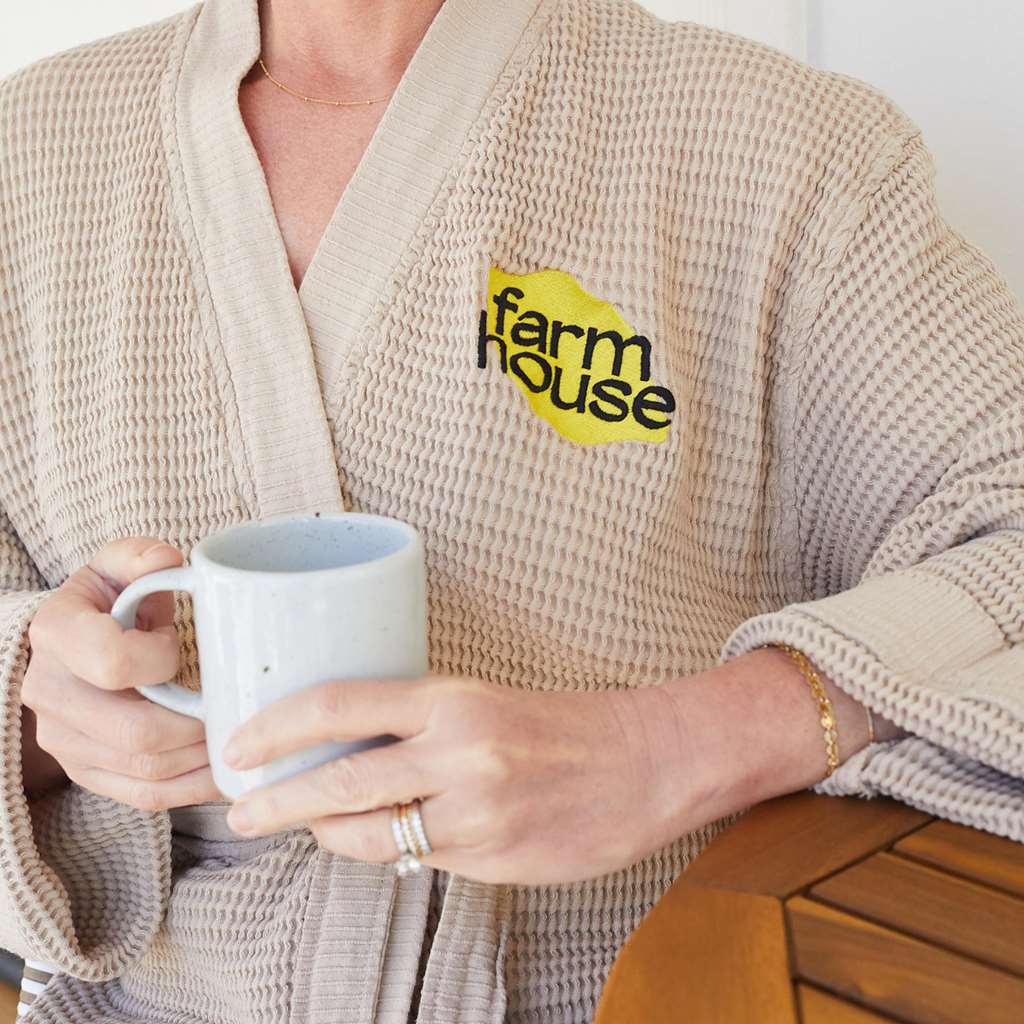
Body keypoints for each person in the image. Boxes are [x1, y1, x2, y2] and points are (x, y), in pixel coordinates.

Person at [1, 0, 1022, 1020]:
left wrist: (671, 746)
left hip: (660, 989)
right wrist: (41, 711)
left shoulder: (786, 151)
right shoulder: (30, 151)